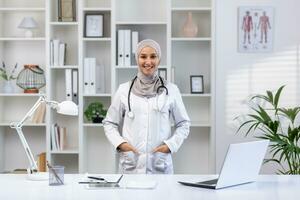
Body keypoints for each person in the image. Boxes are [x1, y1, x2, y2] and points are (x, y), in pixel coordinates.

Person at [103, 39, 190, 174]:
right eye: (143, 56)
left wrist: (170, 145)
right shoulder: (123, 90)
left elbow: (184, 124)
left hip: (160, 164)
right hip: (131, 165)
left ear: (159, 59)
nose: (148, 62)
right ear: (137, 59)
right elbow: (109, 123)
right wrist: (120, 144)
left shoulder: (171, 90)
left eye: (153, 56)